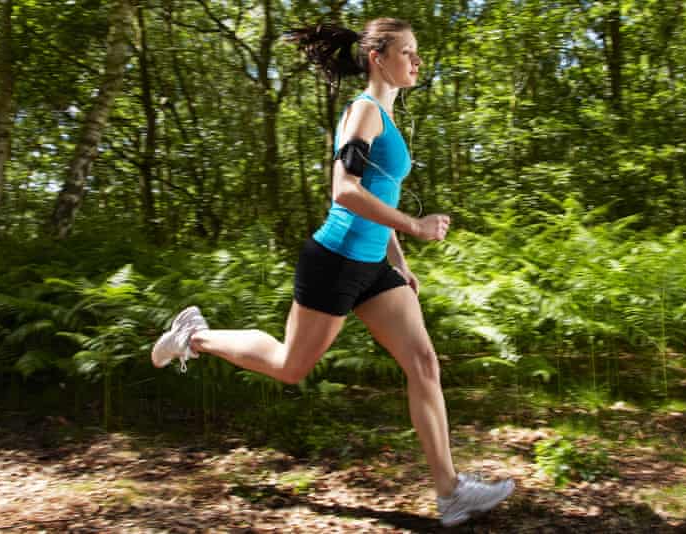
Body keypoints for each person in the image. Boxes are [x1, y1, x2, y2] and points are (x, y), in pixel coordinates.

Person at [151, 18, 514, 527]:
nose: (416, 62)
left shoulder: (385, 115)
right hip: (336, 261)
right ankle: (195, 336)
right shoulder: (363, 112)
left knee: (424, 364)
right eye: (408, 52)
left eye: (416, 53)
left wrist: (399, 264)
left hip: (373, 267)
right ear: (377, 58)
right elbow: (343, 191)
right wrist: (414, 226)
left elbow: (377, 195)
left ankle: (450, 491)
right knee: (289, 366)